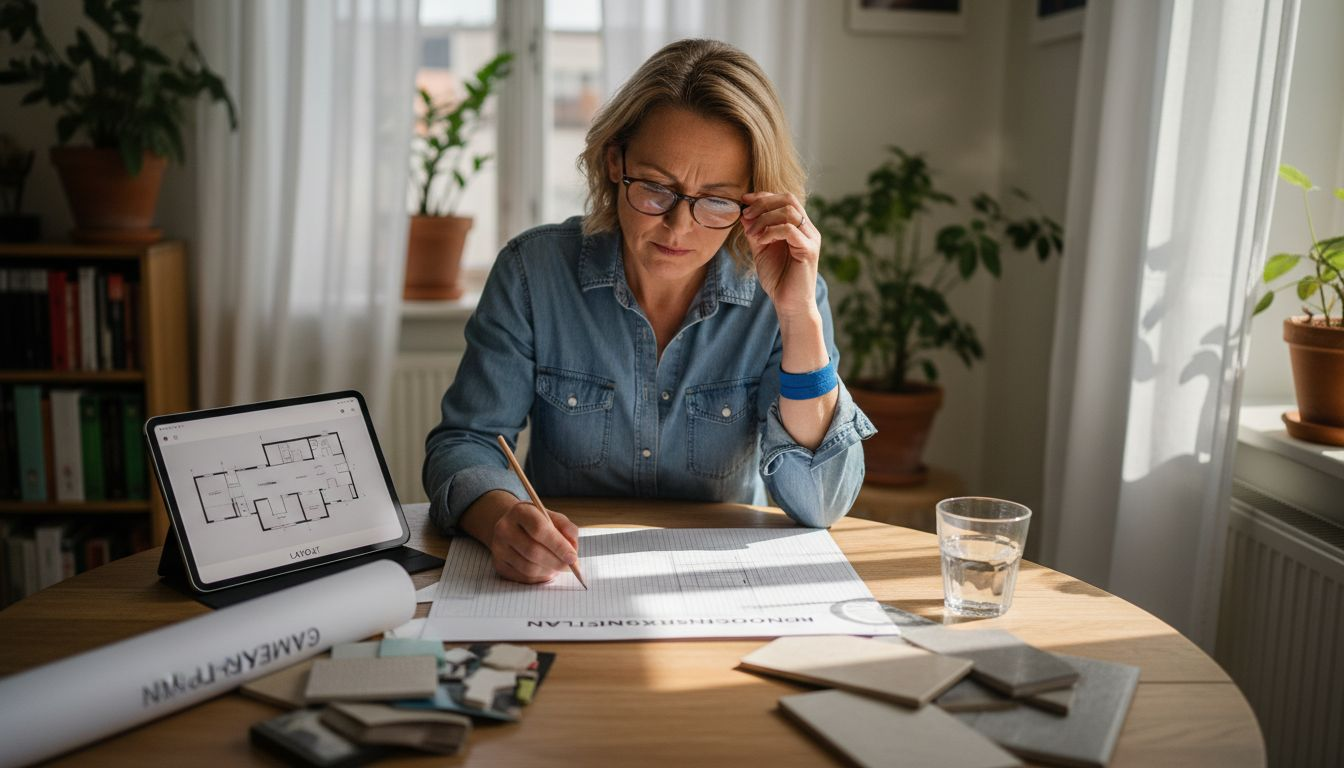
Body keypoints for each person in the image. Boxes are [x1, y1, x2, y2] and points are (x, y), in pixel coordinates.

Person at [423, 38, 875, 585]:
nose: (678, 228)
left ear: (753, 200)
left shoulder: (783, 296)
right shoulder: (532, 272)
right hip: (562, 587)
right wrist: (501, 519)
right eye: (657, 188)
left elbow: (821, 502)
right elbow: (465, 442)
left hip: (718, 593)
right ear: (616, 162)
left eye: (716, 200)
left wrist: (799, 314)